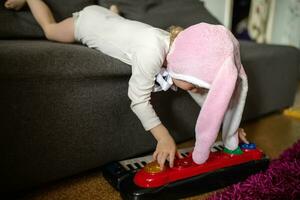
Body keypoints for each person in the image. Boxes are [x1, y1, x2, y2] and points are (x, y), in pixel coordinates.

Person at [4, 0, 249, 170]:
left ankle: (112, 12)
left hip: (108, 19)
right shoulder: (151, 53)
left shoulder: (179, 50)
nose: (198, 91)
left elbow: (208, 100)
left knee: (116, 22)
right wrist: (163, 137)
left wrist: (227, 125)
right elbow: (138, 100)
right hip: (88, 22)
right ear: (185, 68)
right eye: (196, 85)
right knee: (50, 30)